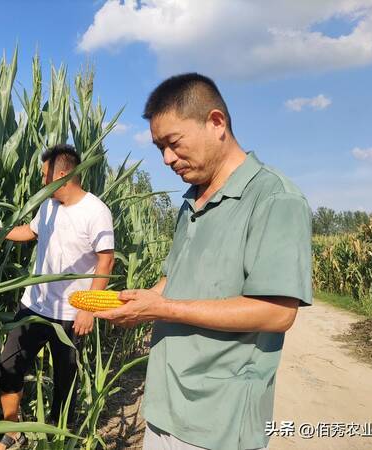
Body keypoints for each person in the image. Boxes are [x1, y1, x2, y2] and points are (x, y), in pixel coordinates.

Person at [95, 73, 312, 450]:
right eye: (159, 147)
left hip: (218, 423)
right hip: (163, 408)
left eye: (173, 143)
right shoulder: (190, 201)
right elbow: (172, 279)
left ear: (216, 123)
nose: (166, 159)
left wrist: (163, 308)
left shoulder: (274, 198)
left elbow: (277, 313)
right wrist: (140, 303)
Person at [0, 144, 115, 450]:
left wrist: (89, 309)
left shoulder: (96, 211)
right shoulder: (48, 206)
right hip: (34, 305)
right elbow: (30, 233)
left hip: (71, 314)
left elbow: (106, 261)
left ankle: (60, 438)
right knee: (8, 367)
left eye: (45, 176)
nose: (42, 182)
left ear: (63, 174)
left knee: (64, 381)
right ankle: (13, 434)